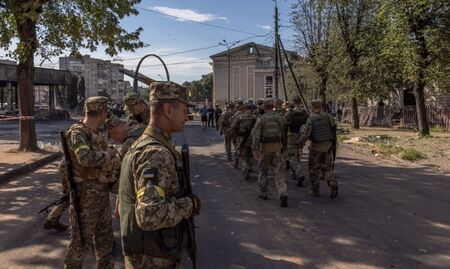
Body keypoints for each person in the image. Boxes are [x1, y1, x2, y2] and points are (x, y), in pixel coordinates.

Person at [119, 81, 201, 268]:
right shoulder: (155, 153)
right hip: (153, 259)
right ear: (169, 110)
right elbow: (149, 214)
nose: (187, 116)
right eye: (184, 109)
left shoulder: (143, 143)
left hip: (149, 253)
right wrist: (190, 204)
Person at [64, 96, 120, 269]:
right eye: (106, 113)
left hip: (100, 191)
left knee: (104, 237)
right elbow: (85, 159)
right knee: (80, 241)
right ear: (102, 113)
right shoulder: (78, 132)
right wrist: (108, 155)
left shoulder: (95, 134)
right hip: (85, 194)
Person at [251, 99, 288, 207]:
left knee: (263, 171)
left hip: (265, 149)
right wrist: (284, 147)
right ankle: (283, 193)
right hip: (277, 148)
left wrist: (255, 150)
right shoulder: (280, 118)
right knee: (279, 172)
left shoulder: (261, 119)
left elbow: (256, 136)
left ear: (264, 107)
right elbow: (284, 132)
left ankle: (263, 192)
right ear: (273, 107)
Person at [299, 99, 338, 199]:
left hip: (316, 147)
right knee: (326, 168)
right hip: (328, 146)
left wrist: (300, 146)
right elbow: (334, 132)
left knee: (313, 169)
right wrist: (333, 145)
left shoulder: (311, 119)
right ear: (321, 106)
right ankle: (332, 182)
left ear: (312, 107)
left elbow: (305, 135)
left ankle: (315, 190)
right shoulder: (329, 117)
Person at [285, 95, 309, 187]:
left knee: (292, 155)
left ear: (293, 102)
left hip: (292, 136)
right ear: (301, 102)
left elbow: (285, 124)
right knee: (298, 153)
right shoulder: (305, 113)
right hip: (302, 136)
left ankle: (298, 173)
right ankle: (294, 173)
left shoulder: (290, 113)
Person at [229, 102, 256, 179]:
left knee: (242, 155)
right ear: (251, 109)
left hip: (241, 138)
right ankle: (249, 167)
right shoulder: (255, 117)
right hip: (252, 139)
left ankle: (245, 167)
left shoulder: (240, 117)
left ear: (244, 108)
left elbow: (232, 125)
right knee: (250, 155)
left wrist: (235, 133)